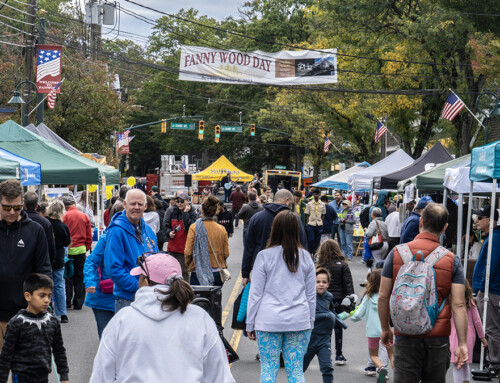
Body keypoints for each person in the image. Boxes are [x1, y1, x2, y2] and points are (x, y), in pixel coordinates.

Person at [89, 253, 235, 383]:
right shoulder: (199, 318)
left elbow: (101, 375)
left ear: (145, 282)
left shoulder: (123, 320)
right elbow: (220, 375)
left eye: (140, 276)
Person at [378, 203, 468, 383]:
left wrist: (385, 328)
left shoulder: (397, 253)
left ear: (421, 221)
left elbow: (383, 296)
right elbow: (459, 304)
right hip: (438, 337)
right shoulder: (451, 260)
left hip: (405, 333)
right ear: (445, 227)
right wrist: (462, 343)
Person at [246, 210, 316, 382]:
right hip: (299, 319)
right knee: (296, 370)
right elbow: (311, 295)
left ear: (274, 229)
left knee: (268, 370)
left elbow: (256, 293)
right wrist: (311, 321)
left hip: (268, 320)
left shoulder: (264, 256)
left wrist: (250, 323)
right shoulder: (306, 257)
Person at [0, 179, 52, 351]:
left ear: (22, 203)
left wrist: (44, 303)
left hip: (23, 314)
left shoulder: (35, 230)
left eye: (17, 207)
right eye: (7, 207)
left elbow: (43, 271)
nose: (12, 212)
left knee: (22, 371)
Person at [0, 273, 69, 383]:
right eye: (42, 295)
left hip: (43, 376)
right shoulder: (17, 322)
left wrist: (64, 376)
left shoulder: (52, 321)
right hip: (21, 377)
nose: (46, 300)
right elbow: (6, 355)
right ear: (28, 296)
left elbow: (59, 350)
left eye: (49, 296)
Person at [104, 189, 158, 312]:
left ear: (145, 206)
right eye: (132, 204)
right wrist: (139, 286)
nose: (136, 207)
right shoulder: (117, 231)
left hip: (149, 298)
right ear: (125, 205)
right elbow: (113, 269)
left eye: (140, 204)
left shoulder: (148, 231)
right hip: (128, 300)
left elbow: (156, 262)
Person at [241, 189, 307, 287]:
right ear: (287, 201)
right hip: (288, 269)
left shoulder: (257, 218)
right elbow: (302, 245)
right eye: (291, 204)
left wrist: (245, 273)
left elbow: (249, 247)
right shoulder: (294, 219)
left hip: (261, 267)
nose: (291, 206)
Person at [84, 202, 125, 339]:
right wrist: (91, 282)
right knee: (107, 338)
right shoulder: (107, 237)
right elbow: (91, 261)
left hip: (125, 294)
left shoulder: (139, 236)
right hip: (104, 296)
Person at [472, 204, 500, 378]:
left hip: (491, 291)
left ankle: (494, 364)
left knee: (491, 328)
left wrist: (481, 289)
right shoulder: (492, 237)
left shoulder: (495, 238)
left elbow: (491, 266)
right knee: (490, 328)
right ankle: (493, 362)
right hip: (489, 290)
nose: (476, 220)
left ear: (489, 219)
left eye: (480, 218)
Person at [316, 239, 354, 366]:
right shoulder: (343, 265)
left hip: (324, 300)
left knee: (325, 329)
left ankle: (327, 354)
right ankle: (339, 354)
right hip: (339, 300)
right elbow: (348, 284)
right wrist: (350, 300)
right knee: (338, 328)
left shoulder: (320, 266)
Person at [351, 269, 393, 382]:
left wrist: (351, 316)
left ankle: (381, 368)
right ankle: (398, 373)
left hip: (372, 332)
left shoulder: (367, 297)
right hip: (387, 329)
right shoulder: (388, 297)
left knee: (374, 355)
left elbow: (358, 315)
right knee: (390, 353)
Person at [185, 196, 230, 288]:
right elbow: (226, 253)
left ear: (202, 211)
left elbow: (188, 252)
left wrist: (190, 263)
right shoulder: (222, 229)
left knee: (198, 301)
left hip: (198, 271)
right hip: (217, 271)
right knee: (215, 300)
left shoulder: (194, 227)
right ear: (216, 211)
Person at [303, 267, 337, 383]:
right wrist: (326, 316)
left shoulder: (329, 296)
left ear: (328, 284)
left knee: (327, 367)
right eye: (318, 282)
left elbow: (333, 313)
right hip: (309, 339)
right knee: (299, 368)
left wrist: (343, 314)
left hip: (324, 339)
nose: (321, 284)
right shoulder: (308, 297)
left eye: (324, 282)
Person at [450, 280, 488, 383]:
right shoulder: (471, 301)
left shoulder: (451, 302)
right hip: (469, 336)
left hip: (455, 335)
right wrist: (482, 337)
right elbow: (477, 321)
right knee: (465, 363)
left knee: (457, 364)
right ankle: (466, 381)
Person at [63, 195, 92, 310]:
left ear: (65, 206)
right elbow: (89, 235)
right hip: (81, 249)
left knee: (68, 276)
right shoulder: (84, 216)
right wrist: (86, 247)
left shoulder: (64, 216)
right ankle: (78, 302)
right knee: (80, 276)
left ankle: (67, 301)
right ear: (74, 204)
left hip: (68, 250)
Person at [162, 191, 197, 281]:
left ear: (187, 201)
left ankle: (185, 293)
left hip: (185, 249)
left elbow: (190, 228)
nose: (180, 203)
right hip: (172, 248)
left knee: (184, 272)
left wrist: (185, 213)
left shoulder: (192, 212)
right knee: (170, 272)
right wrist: (169, 232)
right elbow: (165, 226)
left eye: (182, 201)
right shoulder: (170, 211)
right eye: (178, 201)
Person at [47, 200, 72, 323]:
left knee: (46, 285)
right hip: (59, 258)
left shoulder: (46, 224)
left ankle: (48, 309)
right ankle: (63, 314)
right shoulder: (63, 226)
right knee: (59, 286)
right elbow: (67, 242)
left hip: (47, 258)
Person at [24, 192, 56, 268]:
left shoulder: (18, 220)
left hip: (22, 263)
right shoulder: (45, 222)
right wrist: (51, 261)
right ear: (37, 205)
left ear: (24, 204)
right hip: (41, 262)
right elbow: (51, 245)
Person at [305, 189, 326, 255]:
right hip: (311, 224)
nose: (316, 195)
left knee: (317, 241)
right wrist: (307, 223)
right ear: (313, 195)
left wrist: (322, 222)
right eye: (315, 194)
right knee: (311, 239)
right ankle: (310, 253)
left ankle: (315, 253)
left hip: (319, 224)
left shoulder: (322, 204)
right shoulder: (309, 204)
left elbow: (323, 214)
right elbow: (307, 214)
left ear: (319, 195)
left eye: (317, 194)